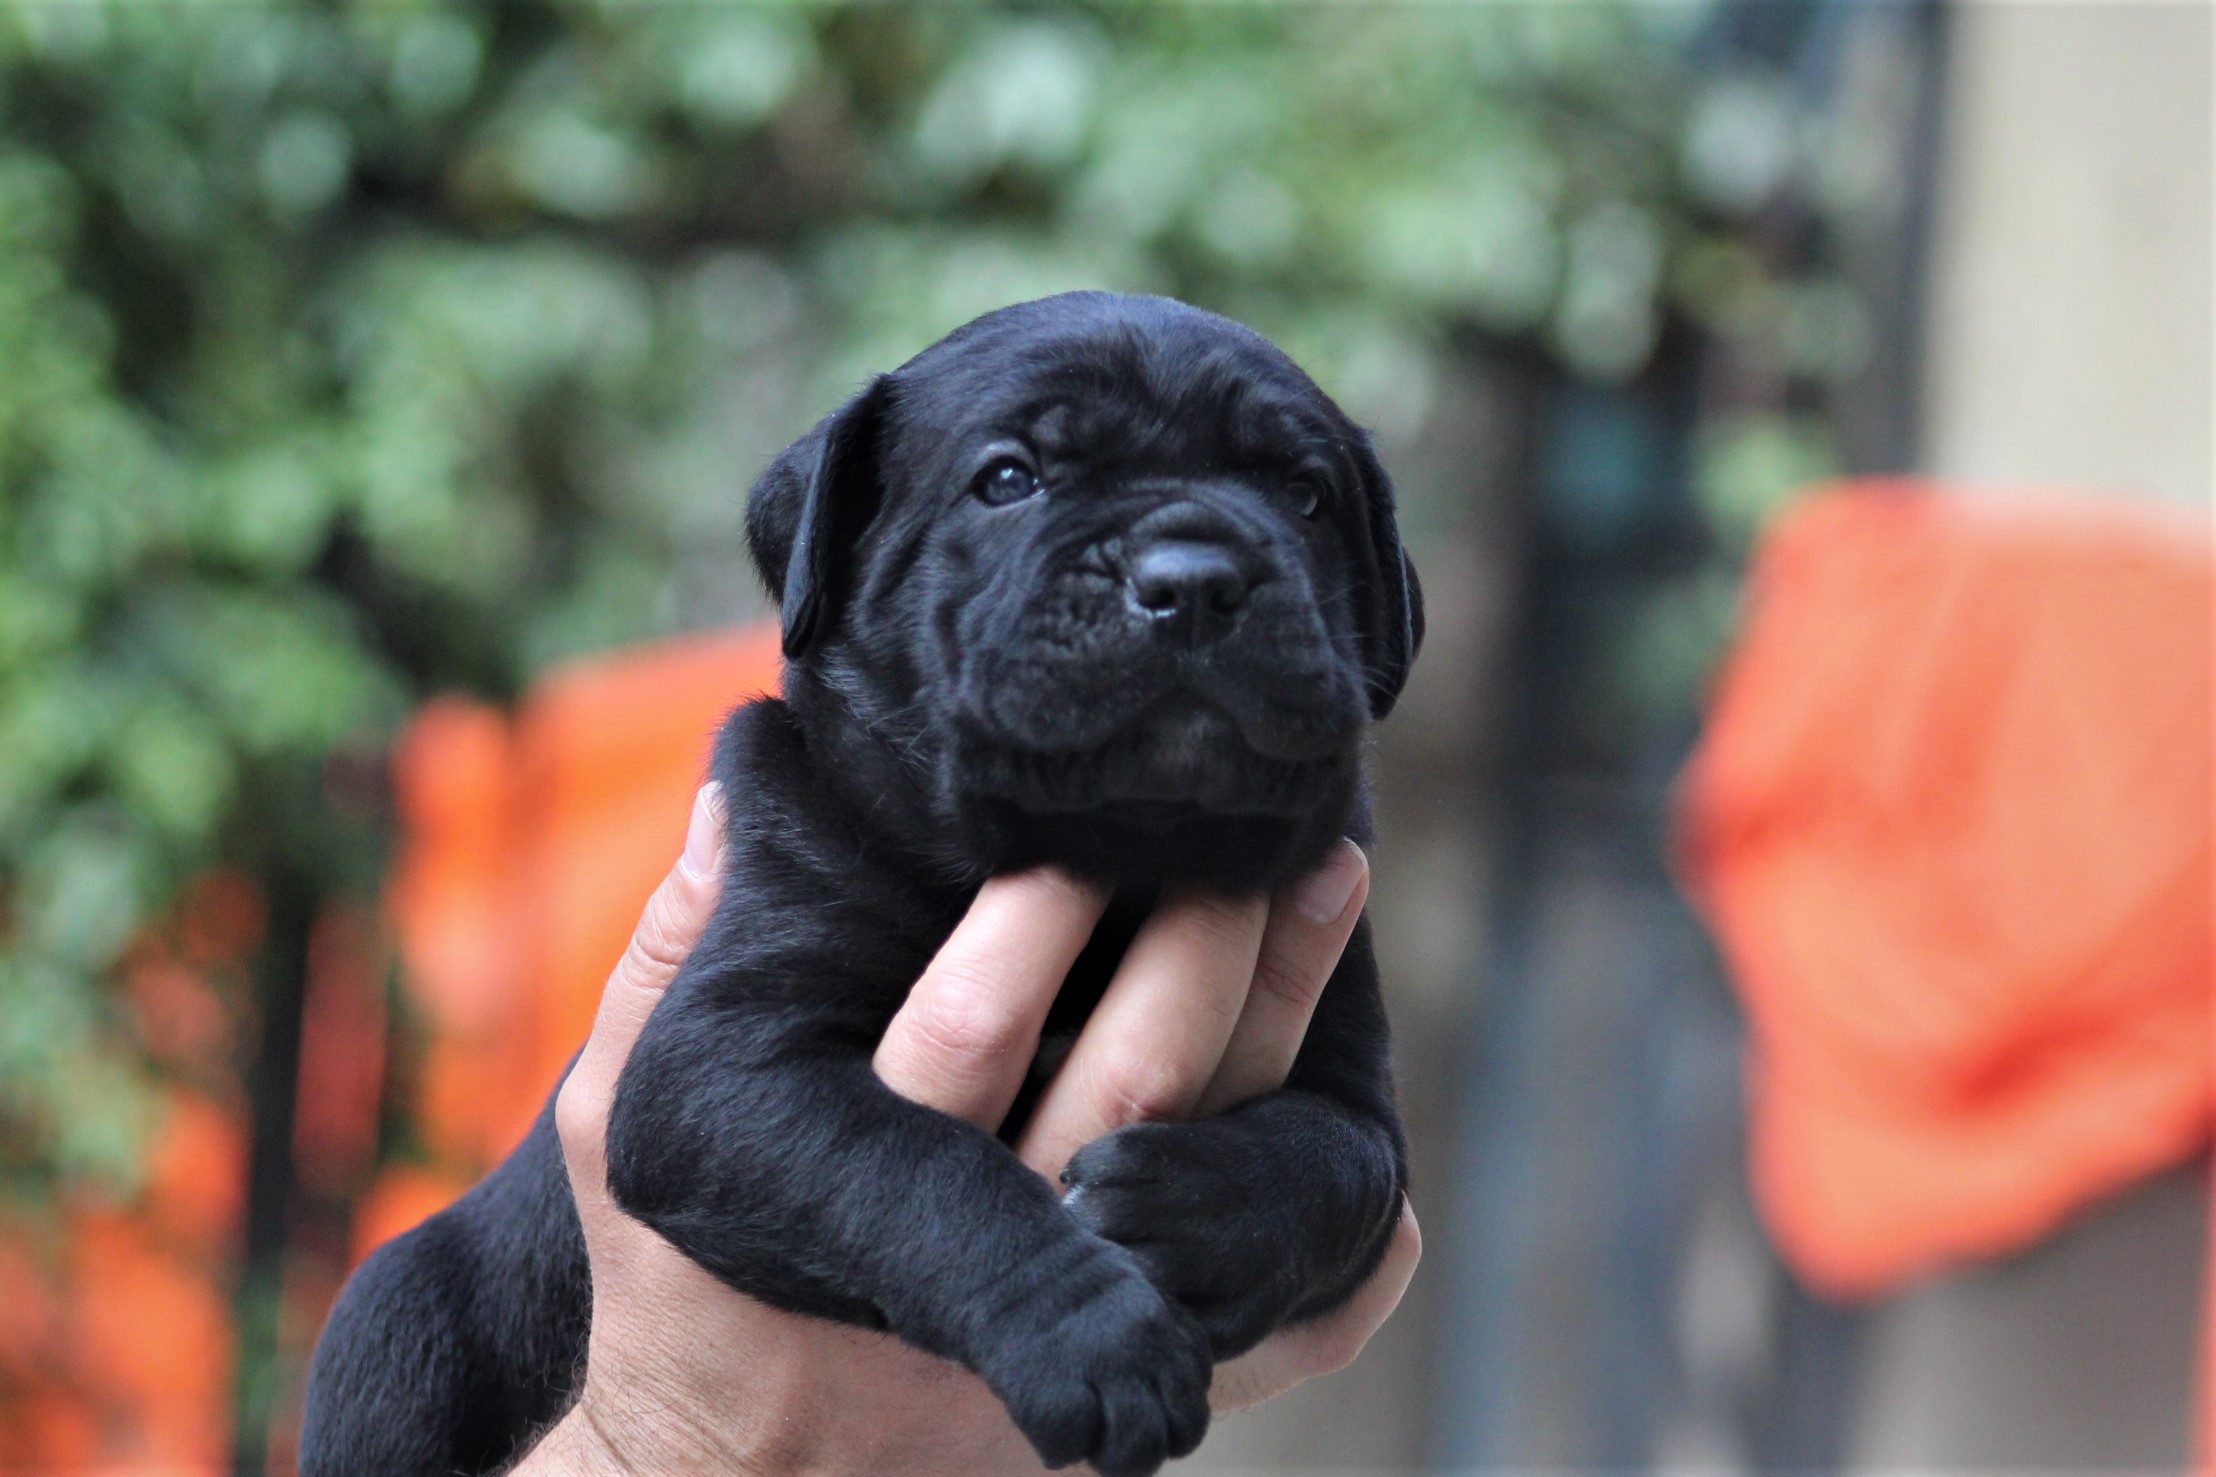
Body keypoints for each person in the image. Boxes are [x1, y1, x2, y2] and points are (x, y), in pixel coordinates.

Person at [514, 785, 1422, 1474]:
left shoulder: (1293, 855)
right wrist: (671, 1448)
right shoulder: (828, 810)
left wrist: (1294, 1193)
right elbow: (701, 1114)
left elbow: (1356, 1165)